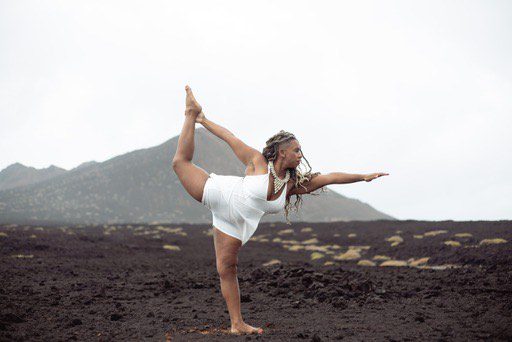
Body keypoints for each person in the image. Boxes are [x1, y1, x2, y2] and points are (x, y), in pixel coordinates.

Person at [172, 85, 389, 335]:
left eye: (301, 151)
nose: (300, 155)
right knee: (179, 163)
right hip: (220, 194)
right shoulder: (258, 161)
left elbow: (329, 178)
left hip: (235, 225)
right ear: (282, 152)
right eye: (296, 150)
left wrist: (362, 177)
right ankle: (190, 113)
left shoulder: (292, 186)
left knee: (226, 269)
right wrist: (203, 120)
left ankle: (237, 324)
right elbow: (229, 137)